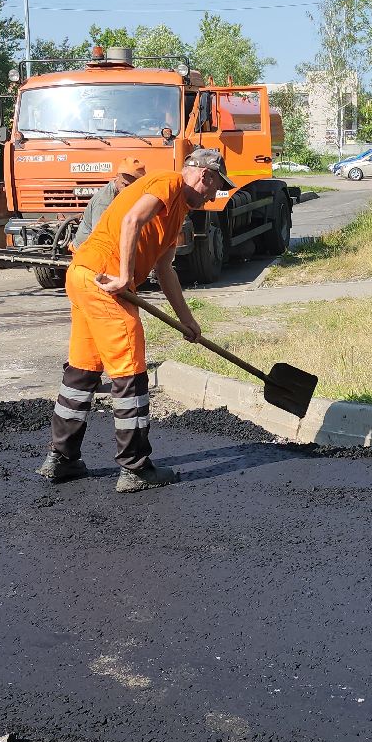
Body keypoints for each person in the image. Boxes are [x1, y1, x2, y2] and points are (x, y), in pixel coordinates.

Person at [41, 147, 233, 493]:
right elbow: (131, 220)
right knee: (130, 370)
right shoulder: (167, 183)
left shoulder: (177, 214)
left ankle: (62, 458)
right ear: (204, 175)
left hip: (83, 277)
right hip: (105, 283)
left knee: (83, 370)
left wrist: (188, 322)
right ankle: (135, 467)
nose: (213, 196)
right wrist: (124, 276)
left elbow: (165, 269)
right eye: (216, 187)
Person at [72, 157, 146, 250]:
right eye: (125, 184)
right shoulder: (104, 201)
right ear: (117, 177)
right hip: (87, 251)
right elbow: (99, 237)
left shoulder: (130, 193)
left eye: (133, 186)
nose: (127, 189)